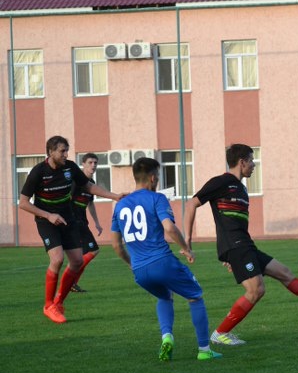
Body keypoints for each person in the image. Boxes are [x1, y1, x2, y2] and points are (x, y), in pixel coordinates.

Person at [184, 144, 298, 346]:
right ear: (242, 162)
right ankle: (220, 333)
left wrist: (231, 257)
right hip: (236, 246)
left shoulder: (241, 188)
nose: (254, 165)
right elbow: (192, 203)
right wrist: (188, 240)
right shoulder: (221, 182)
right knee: (256, 290)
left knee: (285, 273)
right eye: (251, 160)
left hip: (244, 246)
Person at [110, 157, 221, 361]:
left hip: (140, 271)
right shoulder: (157, 198)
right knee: (195, 296)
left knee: (164, 296)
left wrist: (131, 264)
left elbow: (116, 245)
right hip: (162, 262)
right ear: (153, 178)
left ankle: (167, 337)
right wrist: (186, 249)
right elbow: (169, 227)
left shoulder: (120, 205)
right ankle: (204, 350)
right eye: (158, 176)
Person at [19, 136, 123, 324]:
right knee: (57, 259)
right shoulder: (38, 172)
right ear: (50, 152)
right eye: (62, 151)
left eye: (67, 150)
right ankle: (48, 305)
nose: (66, 154)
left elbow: (88, 186)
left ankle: (58, 303)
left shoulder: (70, 168)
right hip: (46, 220)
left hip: (68, 218)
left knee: (76, 261)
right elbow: (24, 203)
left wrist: (114, 196)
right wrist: (48, 215)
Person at [68, 153, 104, 293]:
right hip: (74, 221)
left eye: (95, 162)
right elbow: (67, 199)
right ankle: (70, 280)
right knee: (93, 250)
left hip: (82, 221)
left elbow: (90, 203)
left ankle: (72, 283)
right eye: (90, 162)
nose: (93, 165)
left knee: (82, 256)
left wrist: (97, 223)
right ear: (83, 164)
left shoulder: (91, 183)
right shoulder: (76, 181)